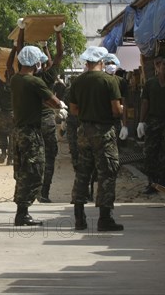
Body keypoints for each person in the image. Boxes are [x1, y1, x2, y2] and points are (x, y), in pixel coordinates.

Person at [69, 46, 124, 232]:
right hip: (104, 132)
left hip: (84, 131)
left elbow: (74, 110)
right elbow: (116, 110)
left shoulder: (78, 82)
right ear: (102, 61)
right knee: (106, 173)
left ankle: (79, 217)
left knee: (83, 173)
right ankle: (105, 218)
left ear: (87, 61)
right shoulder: (109, 81)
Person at [10, 45, 64, 226]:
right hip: (30, 133)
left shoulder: (15, 79)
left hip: (18, 131)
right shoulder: (34, 82)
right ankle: (23, 212)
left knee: (22, 170)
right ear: (35, 63)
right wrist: (60, 107)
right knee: (34, 171)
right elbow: (54, 102)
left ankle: (21, 211)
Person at [17, 20, 65, 203]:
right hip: (47, 121)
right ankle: (44, 192)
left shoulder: (24, 78)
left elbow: (21, 51)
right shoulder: (48, 77)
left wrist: (22, 30)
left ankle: (30, 191)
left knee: (30, 158)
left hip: (31, 122)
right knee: (50, 157)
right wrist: (58, 34)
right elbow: (58, 56)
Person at [137, 55, 165, 194]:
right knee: (150, 153)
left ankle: (162, 181)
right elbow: (145, 102)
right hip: (153, 122)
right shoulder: (151, 83)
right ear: (158, 66)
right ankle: (151, 182)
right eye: (163, 64)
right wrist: (141, 121)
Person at [0, 46, 17, 165]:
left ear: (5, 76)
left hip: (2, 113)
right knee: (13, 136)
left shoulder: (1, 85)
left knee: (1, 134)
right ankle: (11, 158)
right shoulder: (16, 86)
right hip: (13, 114)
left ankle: (3, 152)